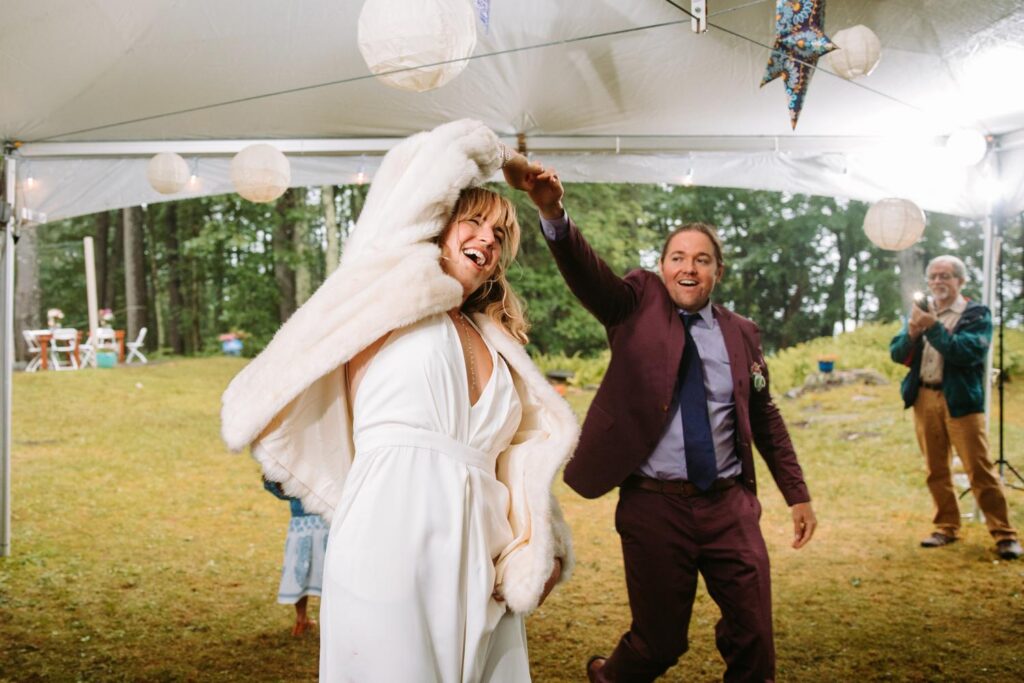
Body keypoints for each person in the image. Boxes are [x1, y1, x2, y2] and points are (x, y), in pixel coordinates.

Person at [220, 119, 578, 682]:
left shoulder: (496, 338)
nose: (487, 238)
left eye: (500, 233)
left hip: (479, 551)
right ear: (438, 223)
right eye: (475, 221)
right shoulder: (389, 287)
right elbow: (435, 155)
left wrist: (543, 549)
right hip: (390, 534)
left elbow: (520, 458)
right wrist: (512, 166)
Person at [521, 168, 816, 682]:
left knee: (755, 638)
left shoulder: (742, 334)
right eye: (678, 257)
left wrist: (797, 493)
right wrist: (553, 215)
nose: (689, 267)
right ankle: (610, 677)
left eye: (702, 259)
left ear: (717, 272)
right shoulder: (636, 304)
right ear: (661, 268)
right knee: (660, 641)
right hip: (653, 505)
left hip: (728, 505)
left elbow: (765, 415)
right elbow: (591, 276)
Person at [889, 255, 1022, 560]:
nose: (938, 282)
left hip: (961, 401)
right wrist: (912, 331)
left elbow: (965, 352)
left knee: (980, 469)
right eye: (933, 276)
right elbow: (896, 354)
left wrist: (932, 327)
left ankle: (1004, 534)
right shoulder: (922, 312)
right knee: (935, 469)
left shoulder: (976, 313)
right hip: (925, 398)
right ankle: (946, 526)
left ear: (960, 281)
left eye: (945, 276)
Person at [263, 478, 329, 636]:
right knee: (312, 568)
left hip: (317, 514)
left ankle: (304, 619)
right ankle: (304, 620)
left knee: (309, 567)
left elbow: (274, 484)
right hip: (316, 513)